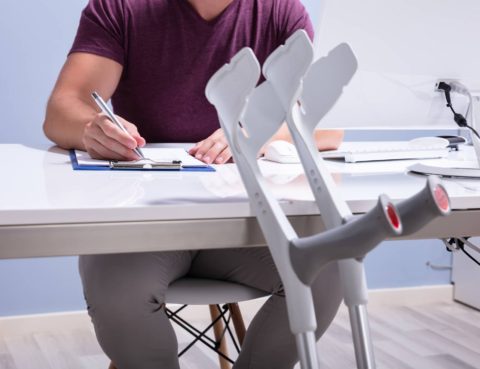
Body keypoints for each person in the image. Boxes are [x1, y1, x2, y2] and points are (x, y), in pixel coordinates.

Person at [43, 0, 344, 368]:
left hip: (244, 228)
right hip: (143, 225)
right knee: (118, 292)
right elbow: (63, 109)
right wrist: (92, 130)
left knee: (328, 264)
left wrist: (259, 131)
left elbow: (327, 123)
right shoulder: (120, 7)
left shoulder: (280, 11)